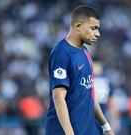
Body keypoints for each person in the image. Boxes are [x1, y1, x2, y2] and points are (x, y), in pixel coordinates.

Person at [45, 5, 115, 135]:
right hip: (64, 131)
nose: (98, 34)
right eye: (93, 28)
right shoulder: (61, 53)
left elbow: (90, 93)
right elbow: (58, 97)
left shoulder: (84, 51)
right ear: (78, 26)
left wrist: (106, 126)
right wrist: (69, 133)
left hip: (87, 130)